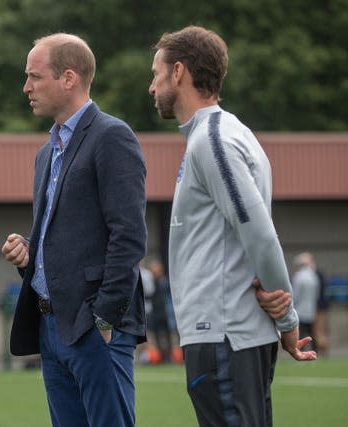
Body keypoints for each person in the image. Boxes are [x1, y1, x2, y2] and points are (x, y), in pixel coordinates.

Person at [148, 25, 316, 427]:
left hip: (223, 336)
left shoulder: (213, 141)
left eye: (155, 74)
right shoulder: (223, 134)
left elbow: (259, 233)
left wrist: (288, 318)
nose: (151, 87)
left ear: (178, 72)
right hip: (226, 334)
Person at [1, 33, 147, 427]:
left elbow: (129, 235)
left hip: (96, 327)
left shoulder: (112, 136)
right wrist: (31, 253)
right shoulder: (46, 150)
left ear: (68, 78)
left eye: (34, 76)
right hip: (52, 327)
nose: (26, 87)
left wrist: (105, 317)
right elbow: (71, 235)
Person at [291, 252, 321, 351]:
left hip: (300, 309)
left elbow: (296, 295)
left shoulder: (299, 276)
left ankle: (300, 351)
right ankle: (315, 351)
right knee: (312, 332)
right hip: (311, 309)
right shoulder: (313, 276)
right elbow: (317, 294)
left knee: (301, 333)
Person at [148, 260, 173, 363]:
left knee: (168, 335)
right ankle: (161, 357)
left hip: (166, 313)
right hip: (154, 313)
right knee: (157, 335)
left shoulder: (165, 282)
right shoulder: (150, 283)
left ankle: (169, 357)